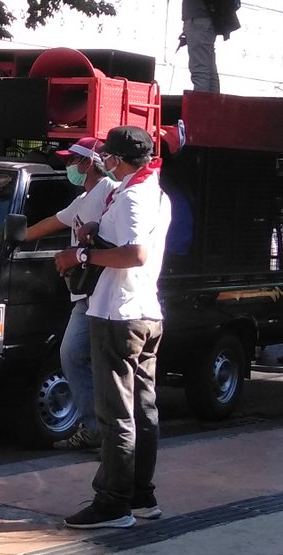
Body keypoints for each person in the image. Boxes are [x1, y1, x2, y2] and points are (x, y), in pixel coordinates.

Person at [56, 125, 171, 529]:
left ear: (119, 160)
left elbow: (135, 253)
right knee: (142, 411)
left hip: (119, 315)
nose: (102, 160)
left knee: (116, 414)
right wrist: (94, 236)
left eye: (107, 155)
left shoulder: (134, 196)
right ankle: (141, 496)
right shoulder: (152, 192)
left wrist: (81, 257)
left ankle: (113, 504)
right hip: (144, 311)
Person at [20, 138, 114, 445]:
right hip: (86, 293)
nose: (68, 165)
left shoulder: (109, 193)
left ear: (89, 163)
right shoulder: (83, 198)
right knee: (76, 355)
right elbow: (51, 222)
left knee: (75, 354)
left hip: (103, 292)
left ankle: (102, 432)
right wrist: (12, 235)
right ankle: (98, 429)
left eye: (73, 160)